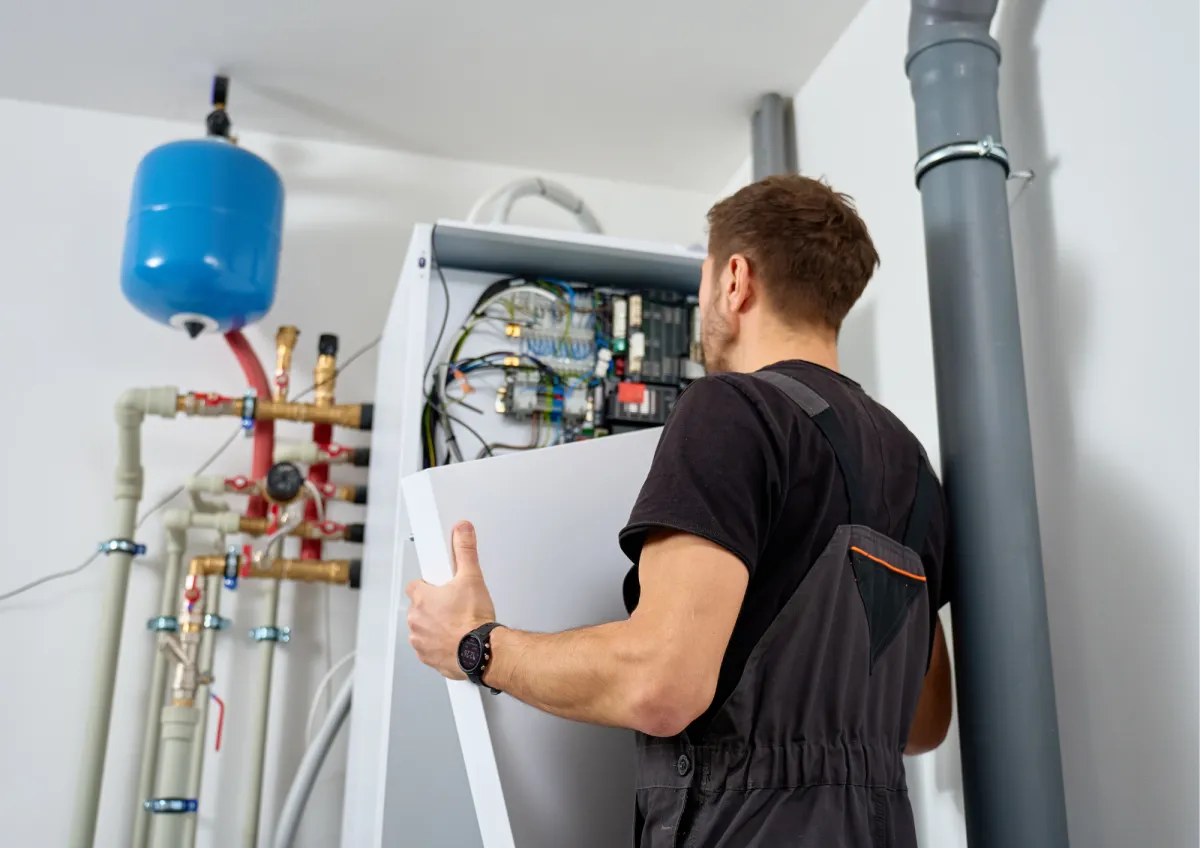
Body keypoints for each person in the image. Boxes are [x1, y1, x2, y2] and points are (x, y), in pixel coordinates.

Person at [407, 174, 955, 848]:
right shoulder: (913, 467)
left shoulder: (735, 409)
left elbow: (660, 683)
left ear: (735, 281)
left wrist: (475, 645)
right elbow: (923, 721)